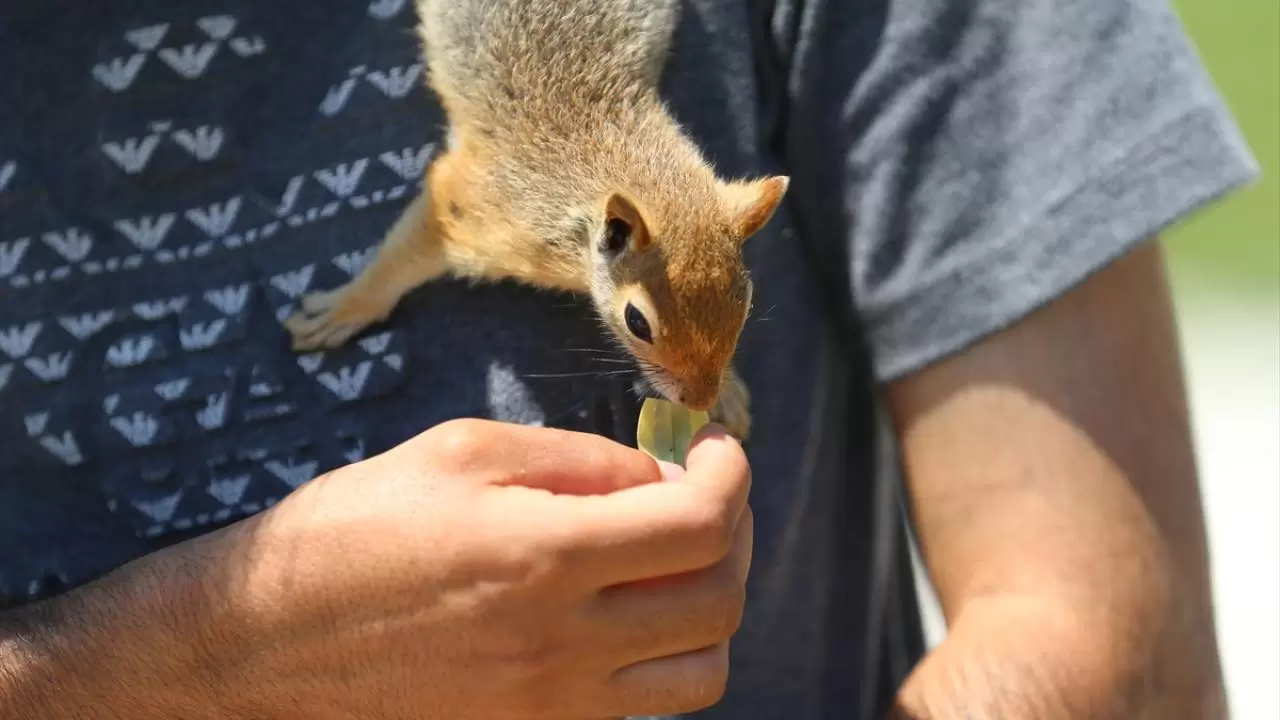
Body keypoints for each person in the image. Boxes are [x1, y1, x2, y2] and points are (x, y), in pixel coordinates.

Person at [0, 0, 1256, 717]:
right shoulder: (554, 226)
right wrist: (210, 663)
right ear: (613, 248)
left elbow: (1111, 642)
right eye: (660, 337)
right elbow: (450, 210)